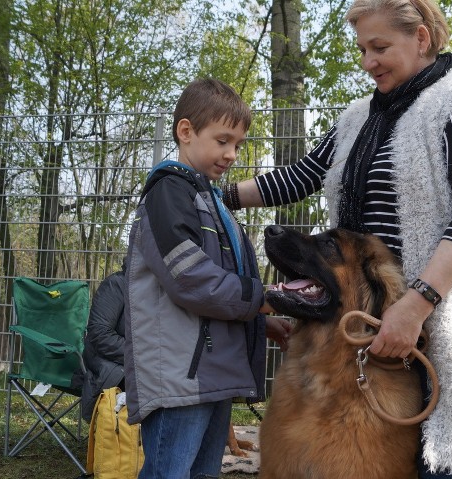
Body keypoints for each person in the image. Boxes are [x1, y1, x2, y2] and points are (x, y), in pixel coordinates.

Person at [221, 0, 452, 475]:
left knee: (440, 461)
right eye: (363, 49)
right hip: (372, 322)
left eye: (380, 47)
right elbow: (304, 174)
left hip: (438, 326)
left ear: (421, 38)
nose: (368, 62)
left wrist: (415, 304)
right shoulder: (358, 116)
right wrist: (215, 196)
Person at [123, 78, 292, 479]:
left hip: (211, 373)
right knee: (169, 472)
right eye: (223, 141)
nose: (232, 154)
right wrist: (265, 297)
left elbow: (221, 287)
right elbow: (191, 279)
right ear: (186, 132)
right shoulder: (169, 193)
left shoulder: (210, 200)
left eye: (237, 145)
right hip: (180, 377)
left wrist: (259, 320)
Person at [71, 267, 127, 422]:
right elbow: (100, 335)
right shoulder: (117, 284)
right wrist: (143, 356)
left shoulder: (166, 288)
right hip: (111, 363)